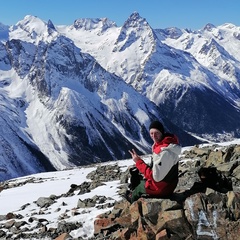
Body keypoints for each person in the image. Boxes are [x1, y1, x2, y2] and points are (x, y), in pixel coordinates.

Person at [127, 120, 182, 203]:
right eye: (151, 133)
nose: (153, 136)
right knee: (138, 179)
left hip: (162, 189)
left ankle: (132, 201)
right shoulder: (166, 146)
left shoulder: (164, 152)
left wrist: (138, 162)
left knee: (139, 187)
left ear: (162, 132)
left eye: (156, 133)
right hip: (168, 185)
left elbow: (155, 177)